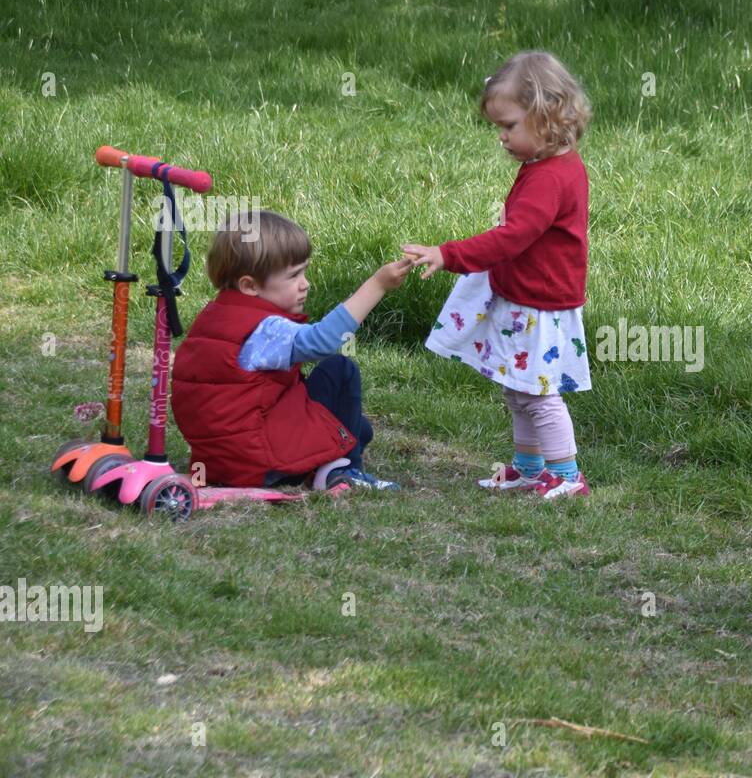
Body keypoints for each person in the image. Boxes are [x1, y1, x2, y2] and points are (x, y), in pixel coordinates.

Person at [403, 51, 593, 500]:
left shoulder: (550, 178)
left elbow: (511, 238)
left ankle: (567, 476)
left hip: (540, 304)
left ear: (546, 116)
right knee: (517, 388)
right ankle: (529, 468)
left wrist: (448, 255)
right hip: (524, 297)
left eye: (509, 126)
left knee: (539, 394)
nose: (502, 138)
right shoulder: (547, 166)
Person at [171, 210, 411, 490]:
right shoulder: (265, 329)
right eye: (294, 275)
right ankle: (343, 471)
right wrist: (377, 285)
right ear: (249, 285)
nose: (305, 284)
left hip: (221, 460)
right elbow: (324, 341)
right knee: (339, 369)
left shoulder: (217, 316)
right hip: (262, 460)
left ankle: (342, 443)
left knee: (358, 428)